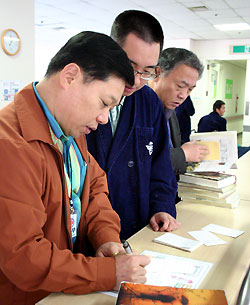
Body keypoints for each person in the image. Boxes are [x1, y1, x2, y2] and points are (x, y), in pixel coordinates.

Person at [0, 31, 151, 305]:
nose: (104, 118)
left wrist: (106, 238)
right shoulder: (10, 144)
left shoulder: (70, 127)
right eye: (104, 103)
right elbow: (23, 257)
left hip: (65, 289)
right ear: (70, 76)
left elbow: (92, 188)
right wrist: (108, 272)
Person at [87, 10, 180, 240]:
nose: (136, 80)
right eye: (129, 65)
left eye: (148, 71)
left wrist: (162, 207)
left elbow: (161, 165)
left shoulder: (149, 102)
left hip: (138, 228)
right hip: (87, 231)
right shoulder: (85, 97)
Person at [148, 48, 209, 176]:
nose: (183, 95)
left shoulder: (170, 111)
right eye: (180, 86)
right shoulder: (137, 109)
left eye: (190, 90)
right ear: (157, 74)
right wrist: (183, 154)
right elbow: (138, 161)